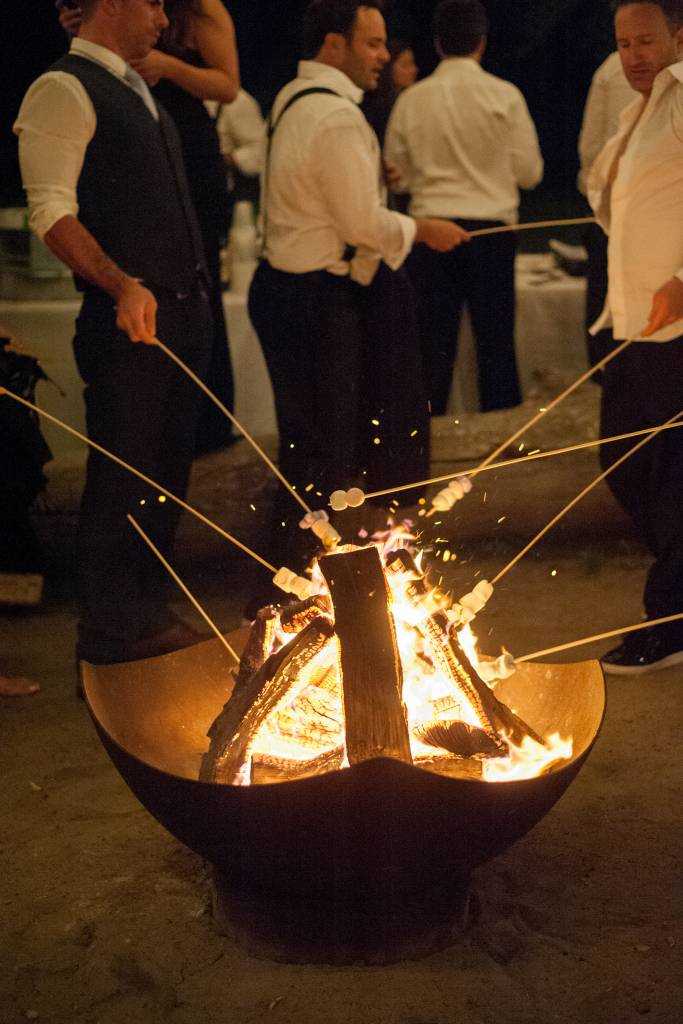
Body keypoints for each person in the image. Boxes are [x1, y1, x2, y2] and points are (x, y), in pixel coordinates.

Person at [247, 0, 468, 601]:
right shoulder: (338, 118)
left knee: (312, 446)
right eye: (371, 43)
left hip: (286, 291)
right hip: (315, 300)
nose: (384, 56)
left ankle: (294, 583)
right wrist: (422, 228)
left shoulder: (294, 100)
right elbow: (362, 225)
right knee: (325, 452)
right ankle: (294, 591)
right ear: (333, 44)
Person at [14, 0, 213, 668]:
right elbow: (50, 210)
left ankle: (145, 620)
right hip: (125, 318)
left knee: (165, 475)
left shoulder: (137, 89)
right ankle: (105, 641)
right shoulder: (63, 87)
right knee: (123, 480)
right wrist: (121, 283)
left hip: (180, 313)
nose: (163, 17)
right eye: (153, 2)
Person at [57, 0, 240, 455]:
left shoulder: (203, 8)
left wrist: (167, 66)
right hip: (127, 133)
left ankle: (204, 422)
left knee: (199, 281)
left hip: (186, 137)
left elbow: (228, 86)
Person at [385, 0, 543, 415]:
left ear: (437, 44)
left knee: (432, 350)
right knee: (496, 347)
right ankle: (503, 445)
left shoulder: (412, 100)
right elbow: (529, 173)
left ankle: (427, 446)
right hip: (491, 232)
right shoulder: (505, 95)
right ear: (482, 43)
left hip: (431, 229)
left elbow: (394, 173)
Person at [587, 0, 683, 674]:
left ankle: (670, 620)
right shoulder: (638, 110)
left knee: (673, 476)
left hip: (676, 323)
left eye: (645, 41)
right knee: (621, 457)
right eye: (623, 43)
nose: (633, 56)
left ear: (677, 36)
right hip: (633, 323)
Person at [578, 51, 635, 374]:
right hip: (615, 219)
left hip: (611, 216)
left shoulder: (611, 68)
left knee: (612, 347)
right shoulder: (613, 70)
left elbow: (590, 150)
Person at [361, 38, 418, 145]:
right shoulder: (380, 107)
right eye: (405, 65)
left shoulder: (408, 101)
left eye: (412, 64)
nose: (414, 70)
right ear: (388, 68)